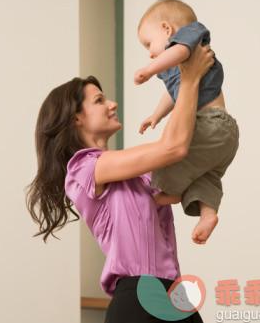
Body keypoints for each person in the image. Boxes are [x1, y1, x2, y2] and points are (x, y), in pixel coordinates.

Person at [25, 43, 213, 322]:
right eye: (99, 100)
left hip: (176, 297)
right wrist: (190, 76)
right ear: (76, 118)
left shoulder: (141, 175)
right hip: (137, 300)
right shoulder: (83, 169)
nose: (112, 104)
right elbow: (173, 147)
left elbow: (191, 164)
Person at [133, 0, 239, 245]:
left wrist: (149, 70)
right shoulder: (175, 67)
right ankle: (208, 214)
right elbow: (173, 93)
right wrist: (156, 115)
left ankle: (170, 190)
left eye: (148, 43)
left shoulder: (190, 36)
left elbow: (180, 52)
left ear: (167, 29)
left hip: (209, 123)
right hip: (223, 135)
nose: (149, 52)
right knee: (206, 177)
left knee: (167, 157)